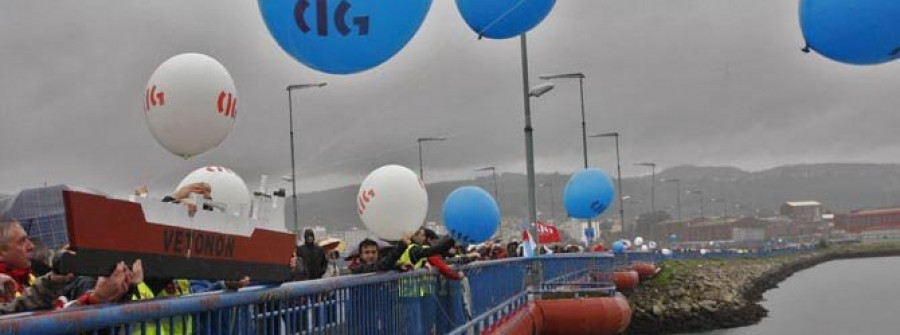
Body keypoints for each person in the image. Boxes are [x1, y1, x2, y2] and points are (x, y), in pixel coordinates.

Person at [0, 219, 134, 315]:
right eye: (22, 241)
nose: (31, 246)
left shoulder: (29, 277)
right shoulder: (5, 285)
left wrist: (54, 280)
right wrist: (95, 299)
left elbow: (54, 313)